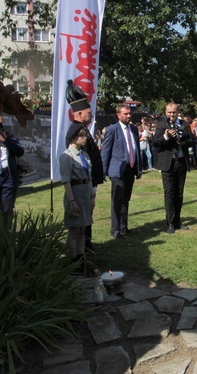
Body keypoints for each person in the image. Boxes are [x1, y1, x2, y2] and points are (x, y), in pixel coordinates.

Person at [65, 80, 103, 252]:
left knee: (85, 222)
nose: (91, 115)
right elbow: (84, 164)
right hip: (81, 186)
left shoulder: (83, 130)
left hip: (87, 184)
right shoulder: (77, 132)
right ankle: (82, 252)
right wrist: (92, 189)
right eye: (89, 112)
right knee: (80, 226)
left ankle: (85, 249)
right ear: (79, 113)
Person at [100, 104, 142, 239]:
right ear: (118, 115)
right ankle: (115, 229)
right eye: (125, 114)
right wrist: (103, 171)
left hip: (130, 169)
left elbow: (136, 149)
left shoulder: (134, 129)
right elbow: (105, 151)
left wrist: (138, 168)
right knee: (117, 200)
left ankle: (124, 227)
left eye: (130, 113)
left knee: (126, 199)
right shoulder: (112, 130)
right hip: (117, 170)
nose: (128, 116)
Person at [152, 103, 192, 234]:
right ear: (165, 112)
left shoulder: (184, 124)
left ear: (178, 112)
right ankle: (170, 222)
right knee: (169, 193)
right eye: (169, 112)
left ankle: (177, 220)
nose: (171, 115)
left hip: (180, 162)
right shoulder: (162, 124)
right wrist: (166, 137)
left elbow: (191, 140)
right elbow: (155, 142)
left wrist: (183, 140)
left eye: (174, 112)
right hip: (167, 163)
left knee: (179, 193)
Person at [60, 123, 92, 266]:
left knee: (83, 227)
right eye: (82, 135)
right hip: (75, 192)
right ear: (73, 137)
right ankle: (72, 259)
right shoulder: (67, 156)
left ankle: (81, 257)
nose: (85, 138)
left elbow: (89, 177)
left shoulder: (84, 155)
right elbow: (66, 180)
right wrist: (71, 201)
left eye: (85, 135)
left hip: (85, 192)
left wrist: (92, 196)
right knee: (74, 228)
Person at [0, 112, 24, 222]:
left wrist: (6, 140)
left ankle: (5, 236)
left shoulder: (9, 136)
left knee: (7, 211)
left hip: (8, 177)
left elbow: (20, 151)